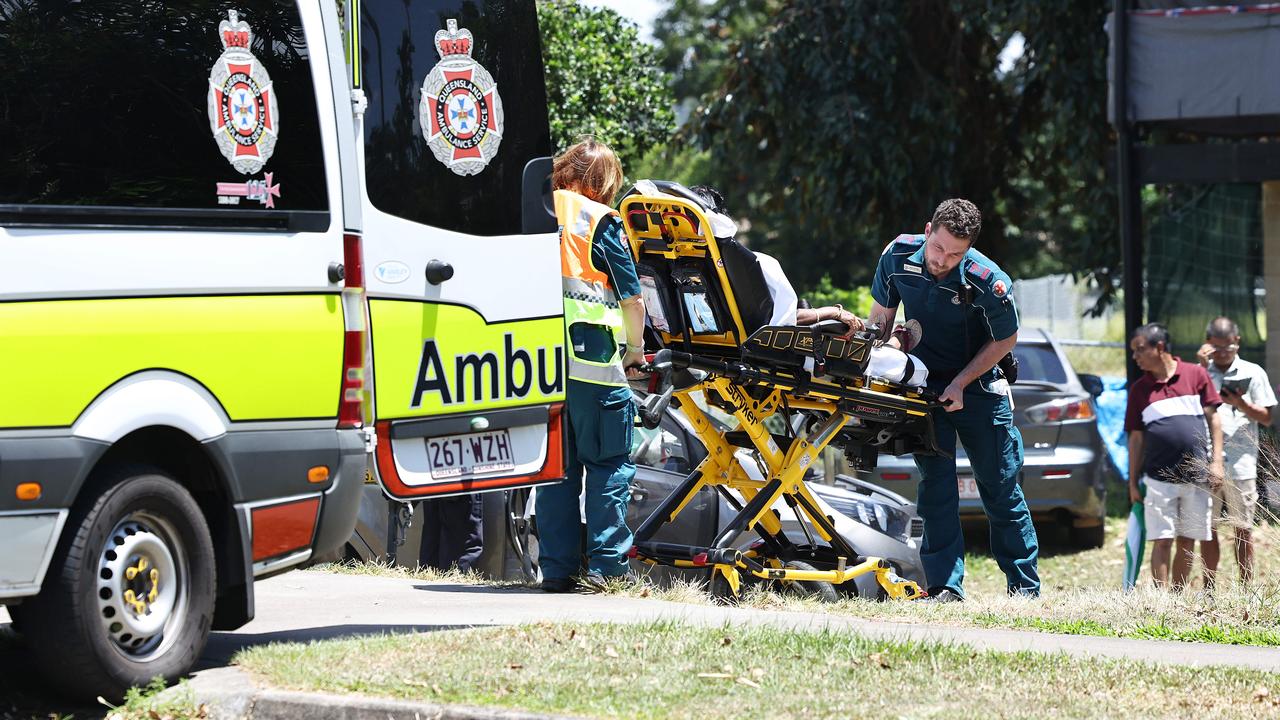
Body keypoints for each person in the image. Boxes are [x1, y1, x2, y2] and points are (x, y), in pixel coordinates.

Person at [864, 199, 1039, 601]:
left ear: (969, 249)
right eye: (938, 248)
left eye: (955, 253)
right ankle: (945, 587)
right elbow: (880, 321)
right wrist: (882, 356)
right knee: (936, 489)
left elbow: (1006, 338)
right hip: (923, 388)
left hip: (978, 388)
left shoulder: (987, 280)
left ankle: (1024, 589)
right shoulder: (896, 256)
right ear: (928, 231)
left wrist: (961, 382)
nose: (943, 260)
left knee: (1000, 488)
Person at [538, 138, 646, 593]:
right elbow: (633, 299)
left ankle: (557, 572)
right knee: (609, 466)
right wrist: (637, 351)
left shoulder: (532, 210)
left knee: (556, 476)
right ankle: (607, 570)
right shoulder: (600, 221)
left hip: (539, 371)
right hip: (593, 370)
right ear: (599, 183)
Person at [1126, 323, 1223, 591]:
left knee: (1187, 540)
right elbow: (1135, 439)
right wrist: (1133, 482)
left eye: (1140, 350)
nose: (1135, 356)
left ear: (1160, 347)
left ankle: (1178, 597)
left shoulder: (1196, 375)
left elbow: (1214, 419)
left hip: (1196, 477)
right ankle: (1161, 600)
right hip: (1158, 479)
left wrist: (1216, 461)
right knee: (1162, 539)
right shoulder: (1139, 390)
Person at [1195, 317, 1274, 586]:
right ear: (1207, 345)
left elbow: (1266, 418)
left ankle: (1247, 588)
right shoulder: (1198, 373)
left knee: (1243, 528)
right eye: (1216, 348)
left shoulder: (1253, 372)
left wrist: (1240, 403)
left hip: (1241, 461)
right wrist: (1203, 370)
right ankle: (1208, 588)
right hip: (1207, 460)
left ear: (1237, 342)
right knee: (1208, 528)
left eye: (1227, 347)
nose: (1223, 353)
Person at [418, 494, 484, 572]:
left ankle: (429, 573)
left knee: (433, 531)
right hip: (461, 489)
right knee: (466, 542)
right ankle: (456, 575)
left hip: (431, 487)